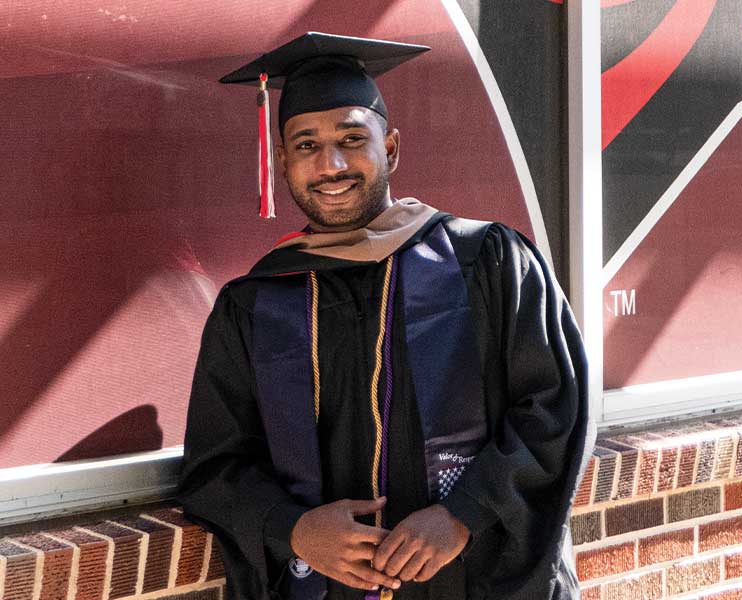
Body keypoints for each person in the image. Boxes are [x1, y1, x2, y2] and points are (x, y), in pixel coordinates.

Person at [178, 33, 591, 600]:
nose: (332, 165)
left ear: (390, 148)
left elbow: (555, 409)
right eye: (306, 146)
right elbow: (214, 467)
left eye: (353, 138)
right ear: (281, 161)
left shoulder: (488, 261)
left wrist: (462, 515)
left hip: (476, 581)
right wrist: (294, 530)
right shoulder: (254, 304)